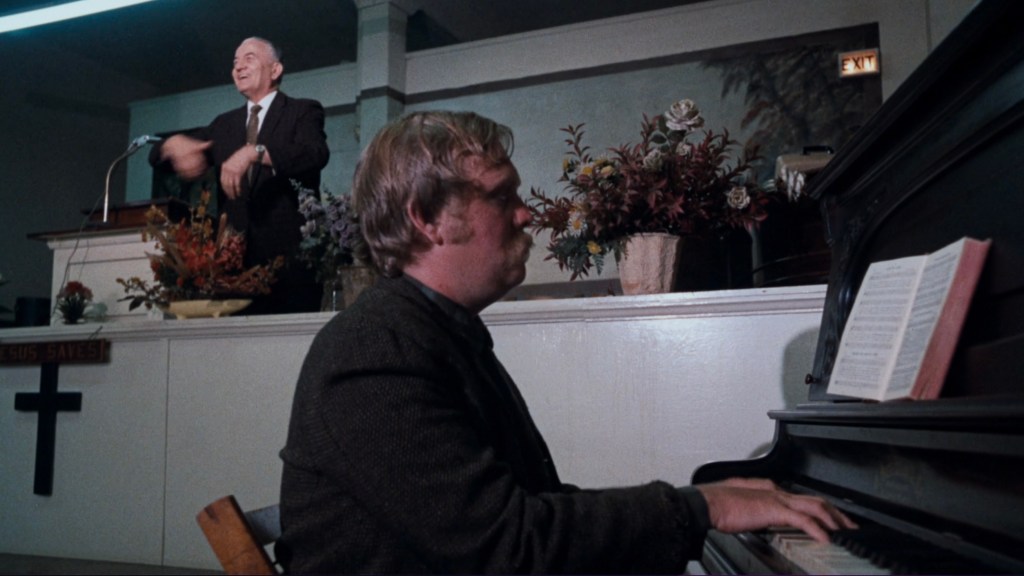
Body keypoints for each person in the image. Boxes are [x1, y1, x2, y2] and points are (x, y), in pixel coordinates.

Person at [277, 111, 855, 573]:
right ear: (429, 217)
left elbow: (531, 507)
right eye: (501, 196)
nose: (526, 214)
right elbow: (510, 547)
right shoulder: (374, 350)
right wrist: (703, 506)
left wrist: (695, 504)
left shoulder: (431, 334)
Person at [150, 37, 329, 314]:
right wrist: (170, 145)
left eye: (249, 58)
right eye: (235, 62)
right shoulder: (224, 125)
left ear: (275, 69)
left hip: (291, 268)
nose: (238, 67)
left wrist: (254, 152)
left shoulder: (302, 111)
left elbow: (314, 154)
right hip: (232, 273)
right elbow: (158, 158)